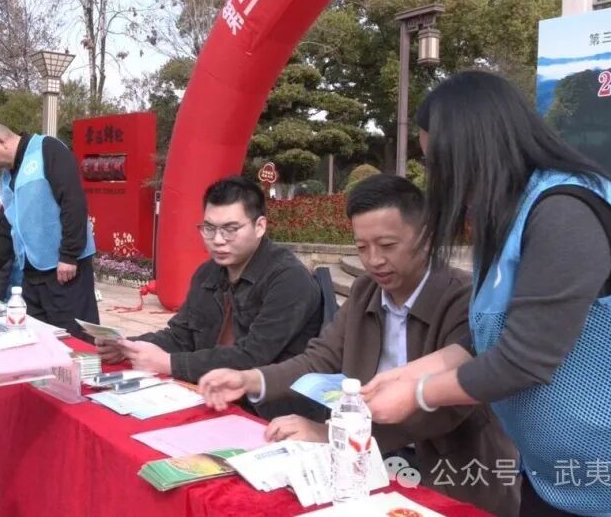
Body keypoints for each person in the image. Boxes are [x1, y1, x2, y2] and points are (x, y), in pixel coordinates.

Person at [361, 70, 611, 517]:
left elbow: (523, 359)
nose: (437, 179)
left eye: (438, 163)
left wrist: (418, 394)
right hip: (570, 471)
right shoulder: (508, 216)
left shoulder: (564, 212)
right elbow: (489, 335)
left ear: (475, 150)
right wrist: (406, 375)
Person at [199, 175, 518, 516]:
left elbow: (448, 407)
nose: (374, 260)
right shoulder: (367, 291)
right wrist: (250, 379)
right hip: (367, 457)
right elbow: (319, 358)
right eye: (362, 247)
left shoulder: (465, 299)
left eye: (387, 245)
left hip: (451, 468)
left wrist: (330, 433)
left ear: (427, 237)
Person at [100, 177, 323, 401]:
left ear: (260, 227)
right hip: (207, 395)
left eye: (230, 229)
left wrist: (168, 363)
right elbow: (181, 336)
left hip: (269, 408)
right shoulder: (208, 273)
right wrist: (128, 347)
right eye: (209, 228)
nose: (217, 240)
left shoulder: (289, 280)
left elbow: (252, 358)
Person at [0, 121, 99, 336]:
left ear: (0, 142)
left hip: (65, 271)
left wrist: (69, 255)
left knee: (74, 338)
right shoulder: (8, 177)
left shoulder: (47, 149)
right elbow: (6, 226)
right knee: (36, 336)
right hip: (32, 274)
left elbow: (73, 201)